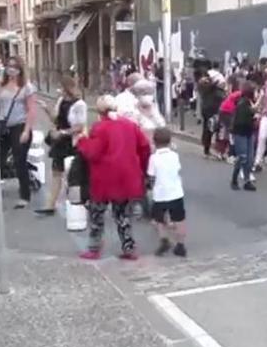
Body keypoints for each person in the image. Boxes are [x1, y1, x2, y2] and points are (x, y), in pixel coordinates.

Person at [77, 95, 151, 260]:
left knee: (97, 215)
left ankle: (94, 248)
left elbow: (93, 153)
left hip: (104, 179)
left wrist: (82, 141)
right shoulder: (130, 125)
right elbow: (145, 147)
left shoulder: (99, 128)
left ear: (99, 111)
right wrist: (142, 167)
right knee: (123, 215)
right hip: (126, 177)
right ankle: (129, 248)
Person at [35, 76, 88, 216]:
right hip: (60, 142)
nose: (60, 91)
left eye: (62, 88)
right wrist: (46, 109)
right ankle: (50, 204)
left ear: (68, 88)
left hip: (73, 142)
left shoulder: (80, 104)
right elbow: (55, 119)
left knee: (74, 173)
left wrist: (63, 132)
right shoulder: (61, 101)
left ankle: (79, 202)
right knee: (56, 172)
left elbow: (80, 126)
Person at [0, 57, 38, 209]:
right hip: (3, 127)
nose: (11, 69)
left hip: (19, 126)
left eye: (14, 67)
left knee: (19, 161)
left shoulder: (26, 87)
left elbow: (32, 110)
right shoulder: (1, 86)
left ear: (20, 69)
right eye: (9, 66)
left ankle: (24, 195)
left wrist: (26, 131)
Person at [147, 128, 188, 257]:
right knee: (179, 220)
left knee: (159, 220)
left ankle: (164, 241)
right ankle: (180, 245)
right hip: (176, 193)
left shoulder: (153, 158)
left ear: (154, 142)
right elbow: (178, 169)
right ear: (170, 141)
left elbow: (151, 176)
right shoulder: (174, 155)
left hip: (160, 194)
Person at [230, 81, 258, 191]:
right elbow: (249, 113)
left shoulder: (249, 102)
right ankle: (234, 179)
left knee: (250, 158)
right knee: (242, 157)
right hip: (240, 132)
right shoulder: (243, 103)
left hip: (249, 131)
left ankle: (247, 181)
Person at [198, 73, 227, 157]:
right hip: (212, 111)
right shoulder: (211, 89)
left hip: (208, 110)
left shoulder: (209, 88)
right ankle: (211, 149)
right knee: (211, 130)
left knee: (209, 129)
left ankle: (208, 149)